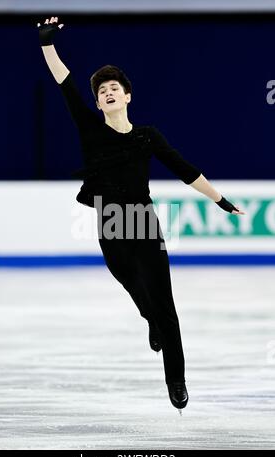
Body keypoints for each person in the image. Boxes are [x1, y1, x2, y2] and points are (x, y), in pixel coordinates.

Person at [37, 17, 245, 412]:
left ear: (127, 96)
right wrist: (47, 45)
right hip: (110, 224)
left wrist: (219, 199)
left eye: (115, 87)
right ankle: (149, 319)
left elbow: (184, 169)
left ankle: (177, 380)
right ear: (97, 104)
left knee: (164, 304)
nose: (109, 92)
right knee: (136, 291)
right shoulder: (90, 129)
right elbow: (65, 85)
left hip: (143, 222)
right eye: (102, 90)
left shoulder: (147, 135)